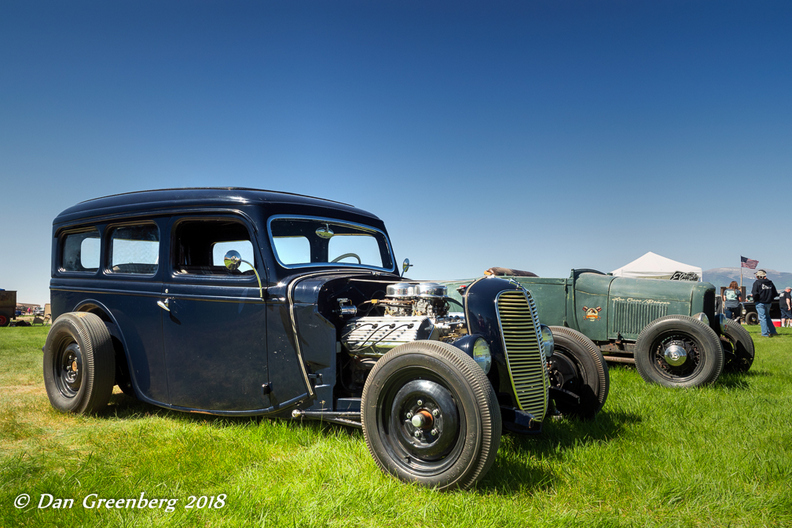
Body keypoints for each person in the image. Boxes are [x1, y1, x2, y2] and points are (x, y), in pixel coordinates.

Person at [751, 269, 779, 337]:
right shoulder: (770, 283)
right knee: (767, 317)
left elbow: (755, 293)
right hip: (768, 303)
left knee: (762, 318)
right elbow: (775, 293)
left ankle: (765, 333)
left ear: (759, 276)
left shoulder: (757, 283)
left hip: (760, 302)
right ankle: (773, 331)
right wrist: (770, 298)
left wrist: (755, 300)